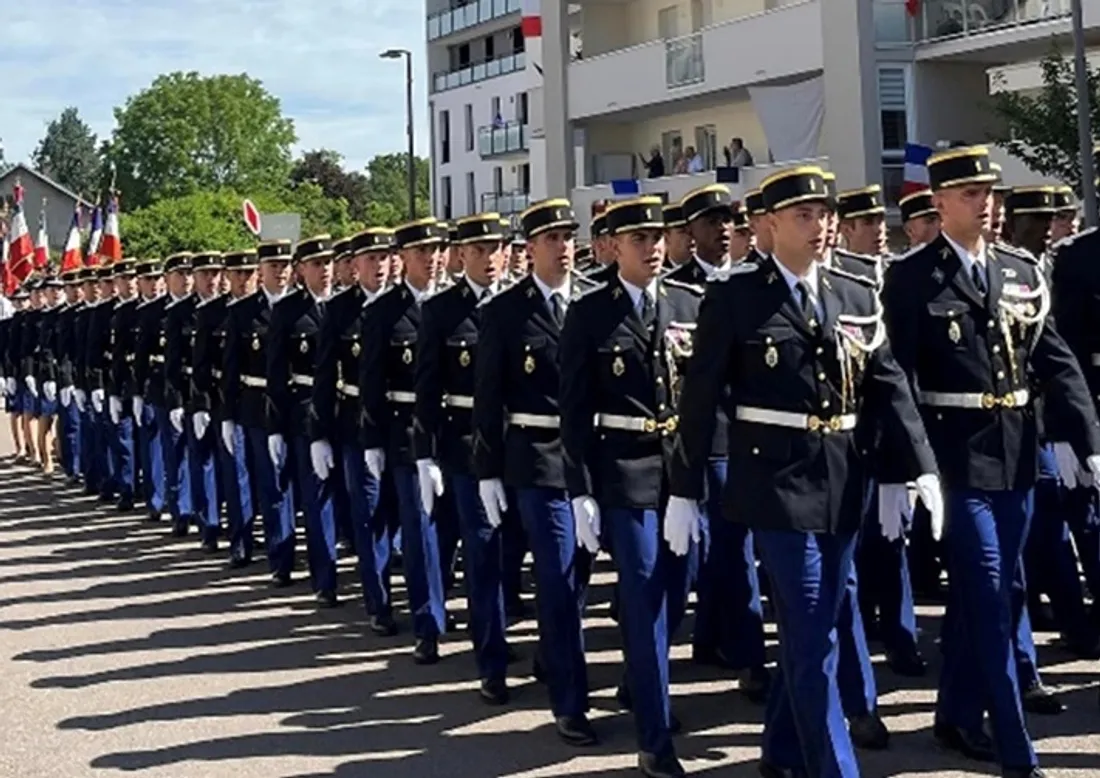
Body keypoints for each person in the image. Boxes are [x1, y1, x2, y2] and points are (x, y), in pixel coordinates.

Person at [668, 164, 941, 778]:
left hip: (844, 477)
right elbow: (701, 397)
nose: (818, 226)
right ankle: (833, 767)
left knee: (813, 624)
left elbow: (888, 384)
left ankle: (780, 750)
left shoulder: (853, 291)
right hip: (774, 483)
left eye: (823, 215)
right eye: (802, 215)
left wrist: (916, 467)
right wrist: (684, 489)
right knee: (816, 624)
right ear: (767, 224)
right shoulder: (736, 297)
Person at [883, 145, 1100, 778]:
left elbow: (1054, 359)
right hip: (956, 459)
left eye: (992, 194)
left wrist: (1087, 440)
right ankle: (1014, 745)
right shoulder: (914, 276)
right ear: (941, 203)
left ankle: (953, 715)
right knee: (989, 595)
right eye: (973, 195)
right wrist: (904, 467)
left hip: (1016, 454)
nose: (988, 205)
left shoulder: (1019, 268)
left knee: (999, 590)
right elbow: (894, 377)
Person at [559, 195, 705, 778]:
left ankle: (643, 681)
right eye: (638, 238)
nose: (651, 247)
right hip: (623, 469)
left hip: (679, 471)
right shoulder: (591, 313)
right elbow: (574, 410)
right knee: (643, 595)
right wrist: (580, 488)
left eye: (657, 236)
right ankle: (654, 735)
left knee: (678, 589)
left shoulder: (689, 303)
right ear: (613, 247)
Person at [473, 198, 598, 747]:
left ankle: (554, 654)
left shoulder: (594, 302)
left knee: (581, 575)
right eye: (552, 238)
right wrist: (488, 470)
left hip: (593, 459)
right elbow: (487, 398)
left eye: (569, 236)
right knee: (557, 574)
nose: (564, 246)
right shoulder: (505, 312)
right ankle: (570, 702)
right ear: (529, 249)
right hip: (537, 455)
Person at [669, 184, 770, 702]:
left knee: (735, 547)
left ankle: (749, 655)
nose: (724, 229)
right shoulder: (672, 291)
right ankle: (689, 646)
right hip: (694, 438)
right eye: (711, 222)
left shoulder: (753, 283)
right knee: (692, 554)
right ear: (690, 234)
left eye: (729, 221)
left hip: (738, 437)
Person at [415, 211, 512, 703]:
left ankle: (542, 651)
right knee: (483, 553)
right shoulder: (441, 311)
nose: (491, 258)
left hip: (523, 448)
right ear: (461, 256)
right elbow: (428, 387)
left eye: (497, 248)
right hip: (466, 447)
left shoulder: (520, 303)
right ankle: (491, 659)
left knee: (527, 558)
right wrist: (425, 452)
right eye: (479, 251)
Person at [359, 218, 449, 663]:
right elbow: (372, 379)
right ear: (403, 259)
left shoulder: (459, 303)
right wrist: (372, 439)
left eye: (435, 251)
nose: (430, 259)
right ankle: (427, 623)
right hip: (406, 431)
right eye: (420, 253)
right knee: (420, 531)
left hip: (459, 431)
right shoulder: (382, 312)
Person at [310, 228, 397, 632]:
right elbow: (326, 375)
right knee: (369, 515)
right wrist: (320, 433)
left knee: (408, 519)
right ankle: (378, 600)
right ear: (355, 265)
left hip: (403, 426)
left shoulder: (408, 306)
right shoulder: (341, 311)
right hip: (356, 423)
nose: (379, 266)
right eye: (370, 259)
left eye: (384, 258)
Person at [268, 236, 340, 606]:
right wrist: (277, 426)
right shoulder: (287, 312)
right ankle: (324, 577)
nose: (325, 269)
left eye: (328, 262)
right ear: (301, 270)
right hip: (306, 412)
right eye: (316, 263)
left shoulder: (348, 305)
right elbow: (277, 374)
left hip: (350, 413)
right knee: (318, 500)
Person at [222, 240, 296, 585]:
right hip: (257, 406)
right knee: (272, 484)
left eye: (285, 266)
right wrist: (227, 414)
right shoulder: (242, 313)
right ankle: (280, 559)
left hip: (299, 406)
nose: (280, 272)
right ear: (261, 272)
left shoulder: (304, 307)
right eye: (273, 267)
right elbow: (231, 368)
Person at [660, 204, 692, 269]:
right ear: (666, 238)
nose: (690, 236)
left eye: (692, 230)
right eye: (683, 231)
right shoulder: (657, 274)